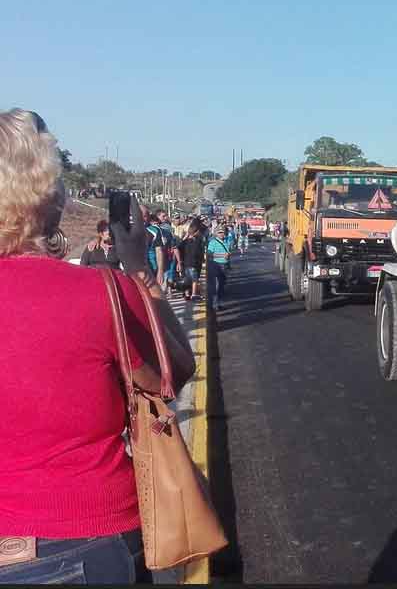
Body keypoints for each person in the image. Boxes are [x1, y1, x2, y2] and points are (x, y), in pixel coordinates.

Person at [0, 109, 195, 584]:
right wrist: (141, 274)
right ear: (47, 196)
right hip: (83, 534)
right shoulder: (99, 293)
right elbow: (175, 373)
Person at [179, 219, 206, 301]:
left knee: (187, 279)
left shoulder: (184, 242)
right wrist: (202, 259)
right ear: (196, 232)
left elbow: (179, 249)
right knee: (194, 280)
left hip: (185, 263)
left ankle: (187, 294)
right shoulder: (197, 241)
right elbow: (198, 253)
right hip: (194, 263)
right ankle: (194, 294)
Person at [205, 225, 231, 311]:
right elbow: (209, 254)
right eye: (219, 232)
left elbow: (227, 254)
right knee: (216, 285)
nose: (221, 234)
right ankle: (214, 304)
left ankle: (218, 303)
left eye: (223, 232)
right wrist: (222, 255)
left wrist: (228, 260)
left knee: (222, 286)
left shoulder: (225, 242)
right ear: (216, 233)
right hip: (216, 265)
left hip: (224, 265)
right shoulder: (213, 242)